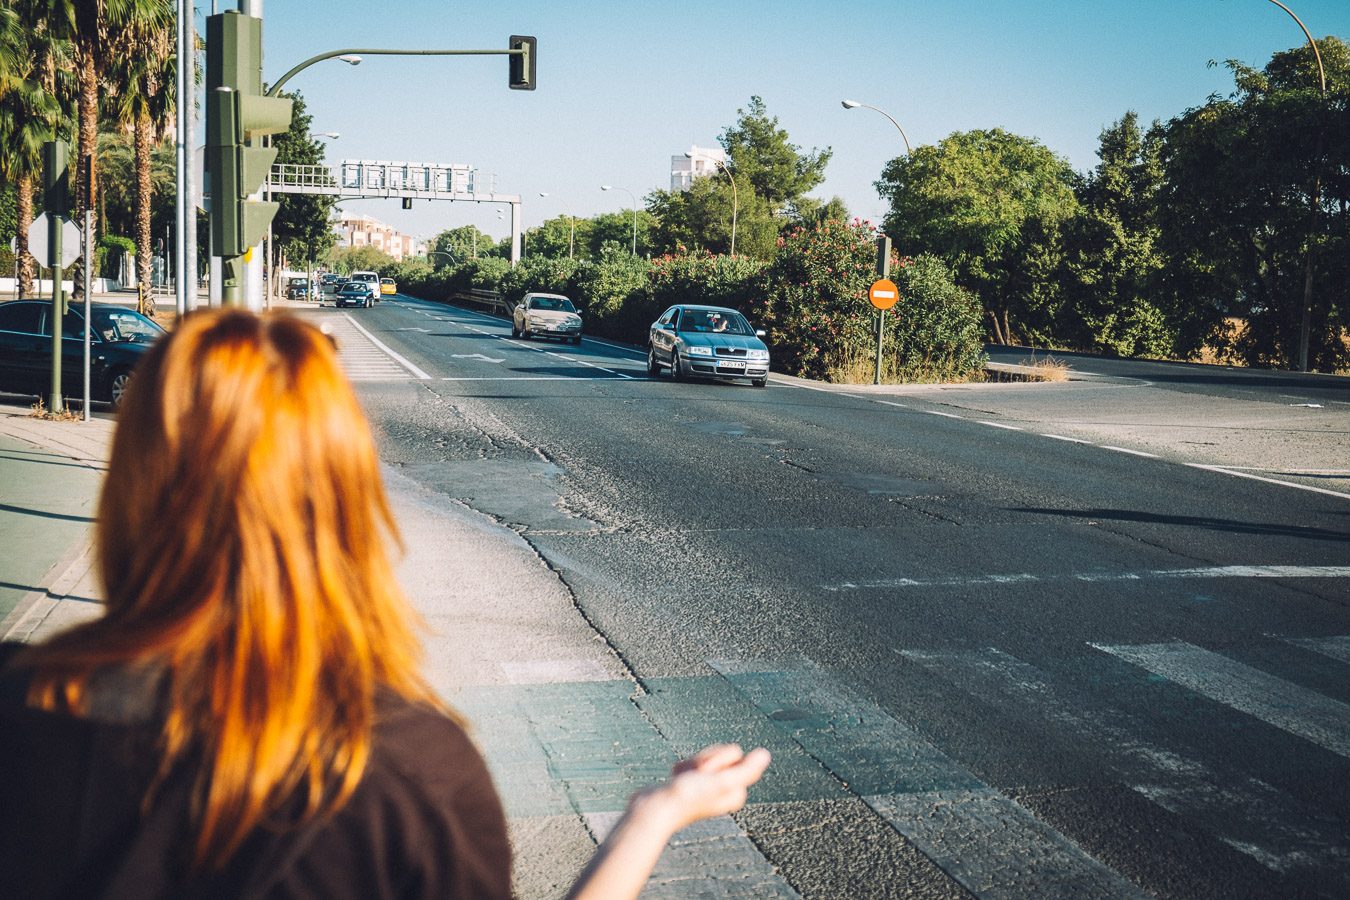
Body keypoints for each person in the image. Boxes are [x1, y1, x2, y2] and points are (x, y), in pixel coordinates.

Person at [0, 309, 770, 900]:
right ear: (345, 497)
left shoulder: (19, 701)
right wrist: (655, 815)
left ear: (130, 480)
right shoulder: (406, 775)